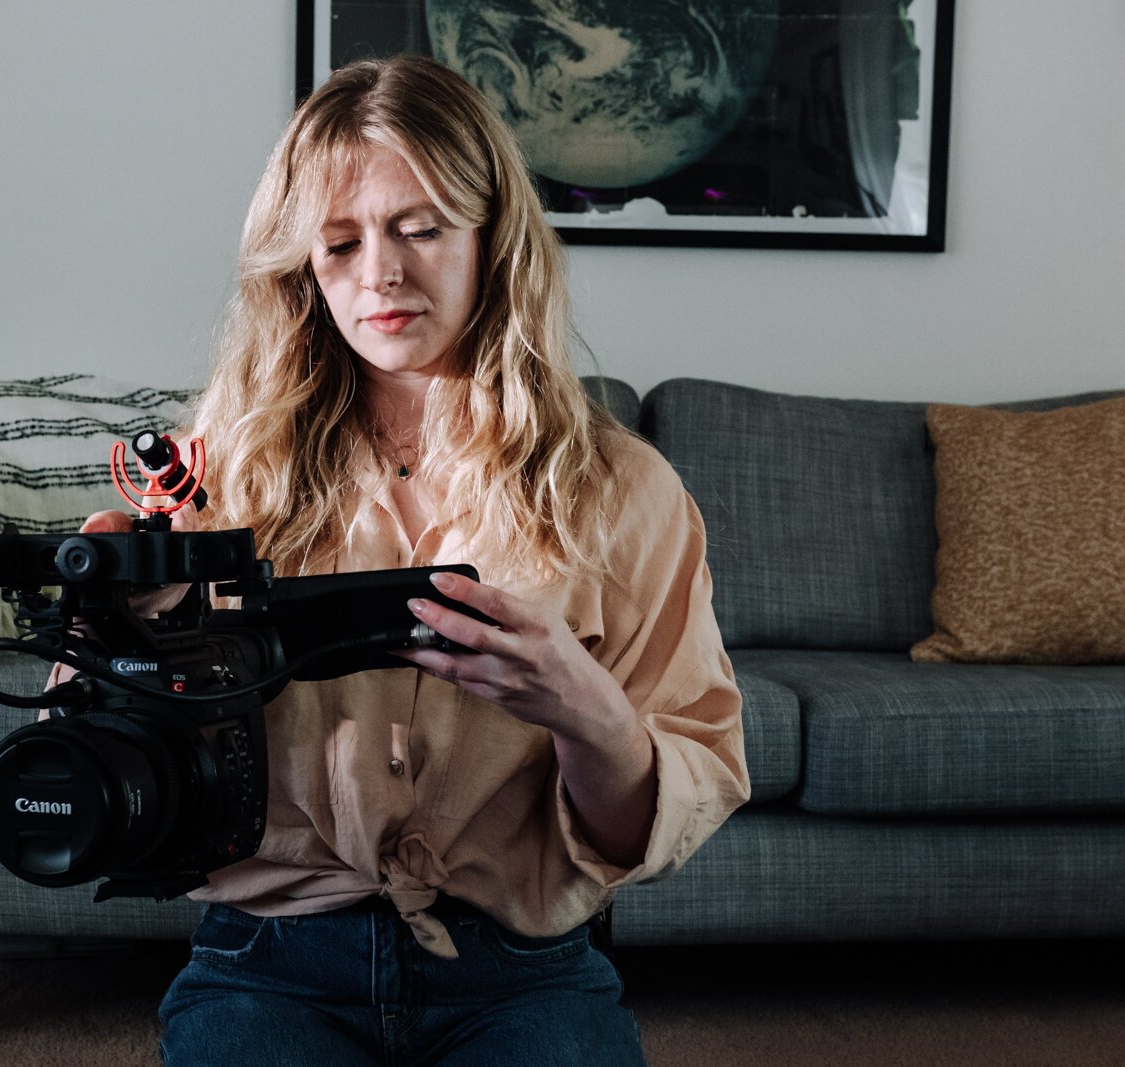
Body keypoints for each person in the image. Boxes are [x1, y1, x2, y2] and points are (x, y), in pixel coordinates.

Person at [58, 54, 748, 1066]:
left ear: (491, 238)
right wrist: (115, 637)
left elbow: (650, 817)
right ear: (301, 266)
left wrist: (581, 705)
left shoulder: (623, 491)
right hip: (268, 956)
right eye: (339, 243)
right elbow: (108, 774)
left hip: (524, 964)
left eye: (419, 229)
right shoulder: (216, 480)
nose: (379, 273)